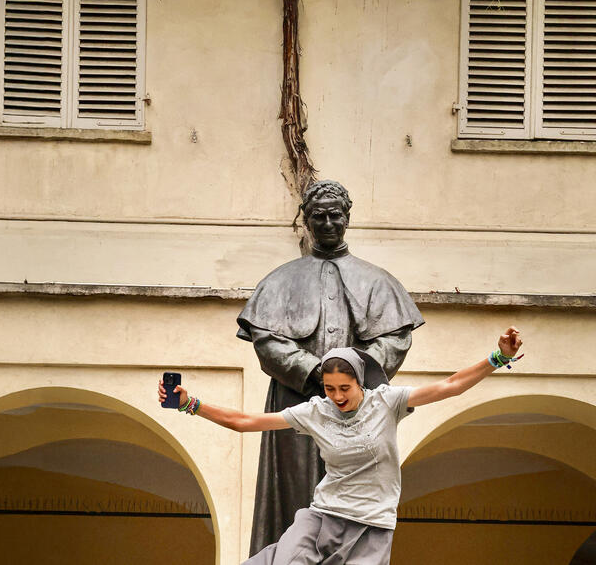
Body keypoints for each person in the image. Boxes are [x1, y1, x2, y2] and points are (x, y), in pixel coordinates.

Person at [158, 327, 523, 565]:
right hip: (324, 517)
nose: (336, 397)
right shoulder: (316, 411)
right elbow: (245, 421)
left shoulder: (388, 402)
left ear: (360, 382)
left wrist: (498, 357)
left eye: (344, 389)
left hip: (373, 526)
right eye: (330, 389)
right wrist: (191, 403)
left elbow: (451, 385)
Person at [236, 179, 424, 555]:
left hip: (358, 408)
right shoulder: (280, 281)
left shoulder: (377, 282)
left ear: (347, 218)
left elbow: (395, 339)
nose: (326, 223)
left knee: (355, 499)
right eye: (317, 216)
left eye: (334, 215)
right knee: (292, 495)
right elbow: (267, 340)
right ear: (306, 221)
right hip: (296, 396)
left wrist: (352, 379)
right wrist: (313, 373)